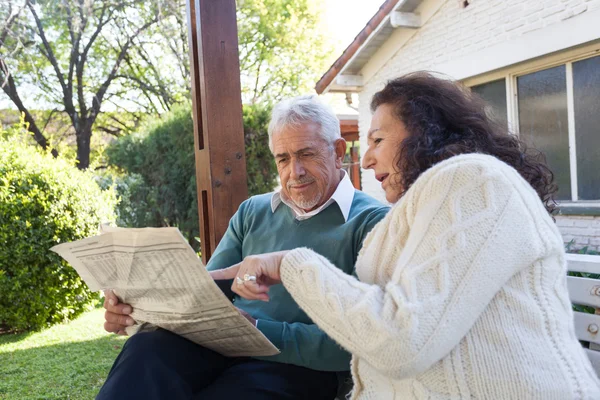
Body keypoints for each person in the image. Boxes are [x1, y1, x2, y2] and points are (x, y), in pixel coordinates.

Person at [219, 72, 600, 399]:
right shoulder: (415, 213)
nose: (365, 159)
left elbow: (402, 340)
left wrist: (289, 264)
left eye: (378, 140)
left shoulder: (475, 180)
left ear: (423, 133)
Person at [97, 95, 389, 400]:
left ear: (338, 151)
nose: (295, 171)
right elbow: (206, 295)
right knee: (146, 348)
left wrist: (260, 330)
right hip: (223, 346)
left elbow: (365, 340)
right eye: (283, 158)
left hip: (299, 366)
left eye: (306, 154)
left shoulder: (372, 222)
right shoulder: (253, 211)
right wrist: (136, 307)